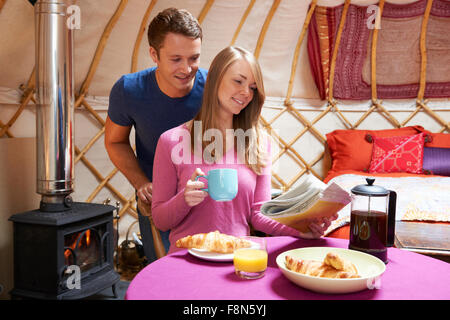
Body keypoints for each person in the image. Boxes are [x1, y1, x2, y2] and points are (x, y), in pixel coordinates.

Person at [151, 46, 337, 253]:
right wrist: (183, 199)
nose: (246, 93)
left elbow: (259, 215)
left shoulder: (258, 143)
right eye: (238, 81)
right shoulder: (171, 141)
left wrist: (300, 231)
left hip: (236, 259)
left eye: (253, 87)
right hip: (186, 259)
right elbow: (160, 220)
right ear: (215, 79)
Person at [105, 8, 207, 263]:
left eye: (194, 58)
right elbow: (115, 141)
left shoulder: (214, 87)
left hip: (206, 198)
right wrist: (141, 183)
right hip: (158, 201)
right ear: (154, 54)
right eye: (176, 59)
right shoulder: (128, 90)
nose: (187, 68)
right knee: (164, 274)